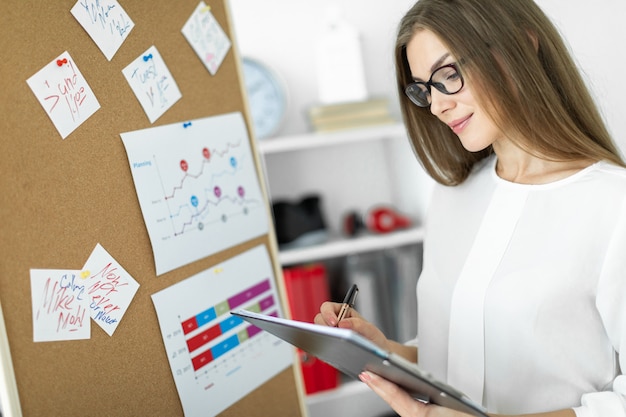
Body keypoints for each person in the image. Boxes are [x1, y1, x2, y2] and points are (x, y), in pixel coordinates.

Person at [314, 1, 626, 416]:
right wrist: (385, 350)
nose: (437, 106)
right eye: (424, 89)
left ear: (522, 45)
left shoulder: (612, 204)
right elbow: (459, 357)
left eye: (448, 75)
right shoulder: (452, 195)